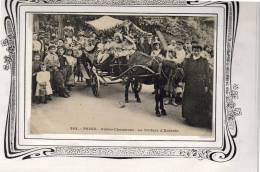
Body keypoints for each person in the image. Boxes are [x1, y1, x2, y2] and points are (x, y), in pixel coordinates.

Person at [182, 45, 211, 128]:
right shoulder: (188, 60)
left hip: (199, 84)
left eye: (198, 51)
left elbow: (207, 74)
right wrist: (183, 82)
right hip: (189, 83)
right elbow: (185, 72)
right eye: (195, 50)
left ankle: (196, 120)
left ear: (200, 52)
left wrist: (206, 85)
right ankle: (188, 118)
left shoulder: (204, 61)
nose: (196, 52)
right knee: (188, 101)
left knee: (198, 102)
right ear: (192, 51)